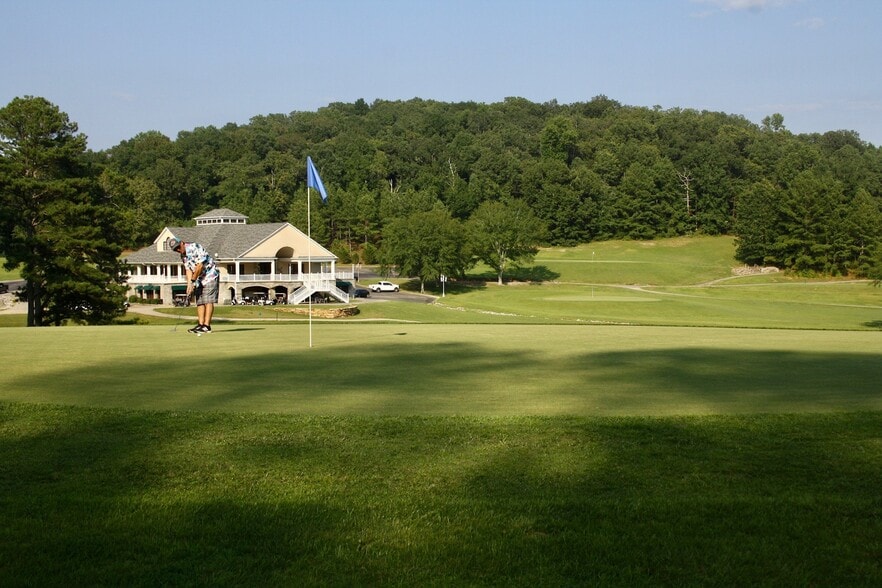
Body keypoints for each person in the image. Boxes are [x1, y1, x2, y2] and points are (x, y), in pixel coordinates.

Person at [167, 236, 219, 334]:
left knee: (208, 300)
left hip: (210, 275)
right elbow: (188, 269)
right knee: (199, 301)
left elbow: (200, 266)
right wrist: (189, 284)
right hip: (199, 278)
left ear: (182, 243)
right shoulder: (183, 256)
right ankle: (200, 325)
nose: (178, 250)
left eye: (178, 247)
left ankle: (206, 326)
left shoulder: (195, 247)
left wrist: (193, 280)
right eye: (175, 250)